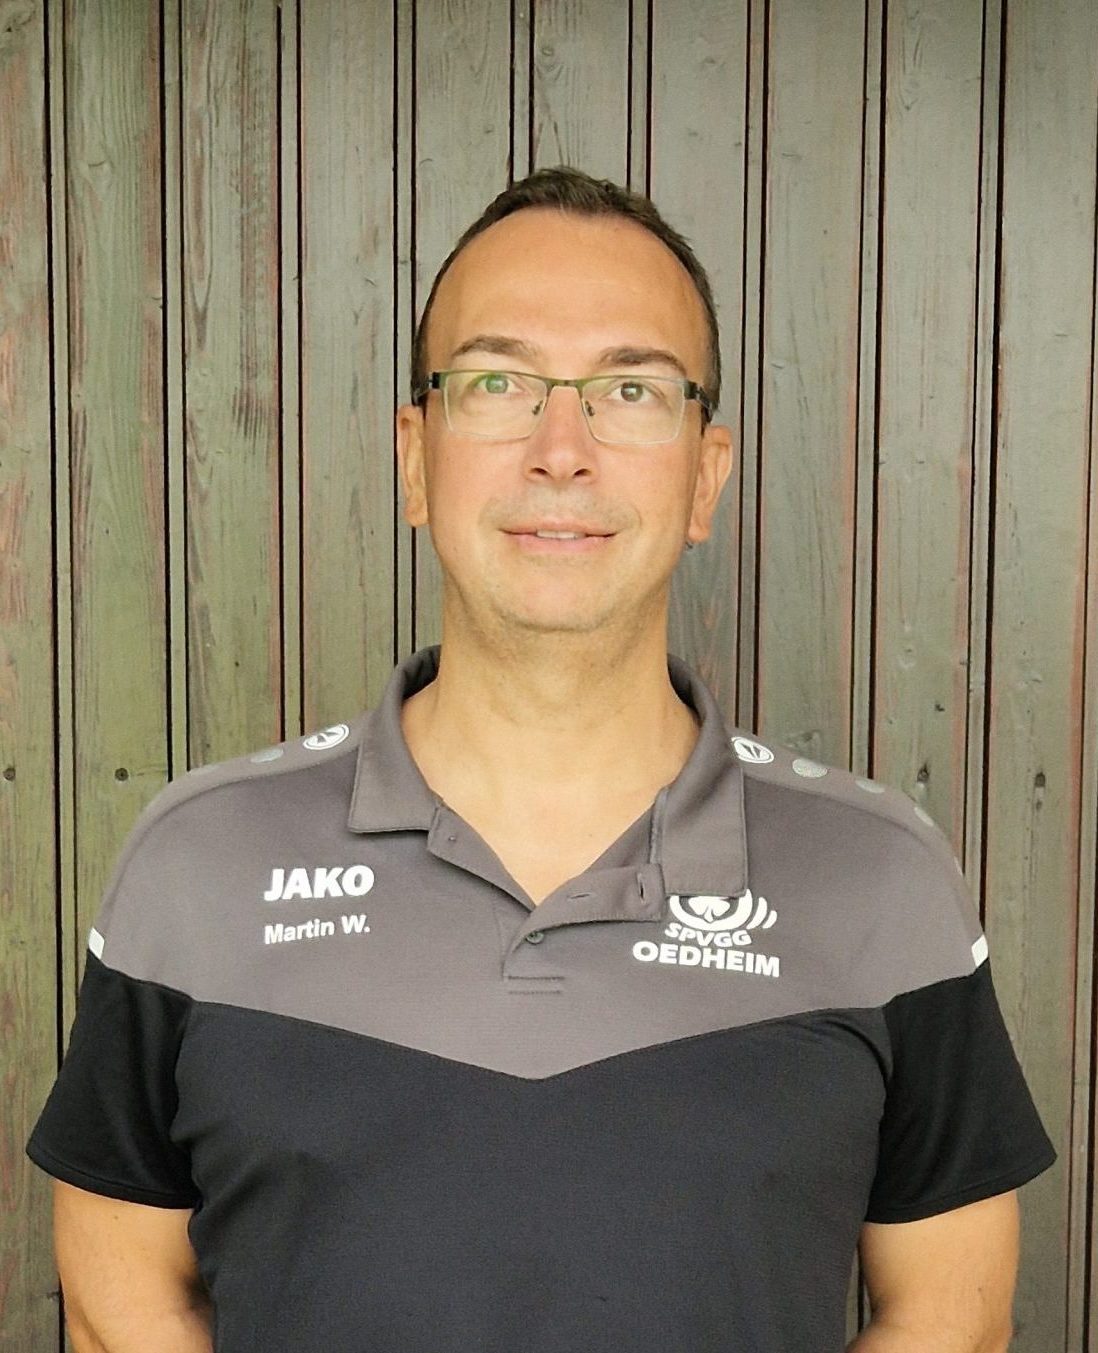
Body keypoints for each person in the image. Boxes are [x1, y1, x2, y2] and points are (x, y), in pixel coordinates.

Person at [28, 165, 1054, 1353]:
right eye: (497, 383)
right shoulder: (196, 865)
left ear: (705, 475)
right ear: (415, 458)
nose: (561, 450)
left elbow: (952, 1314)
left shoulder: (883, 883)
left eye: (631, 389)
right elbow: (120, 1302)